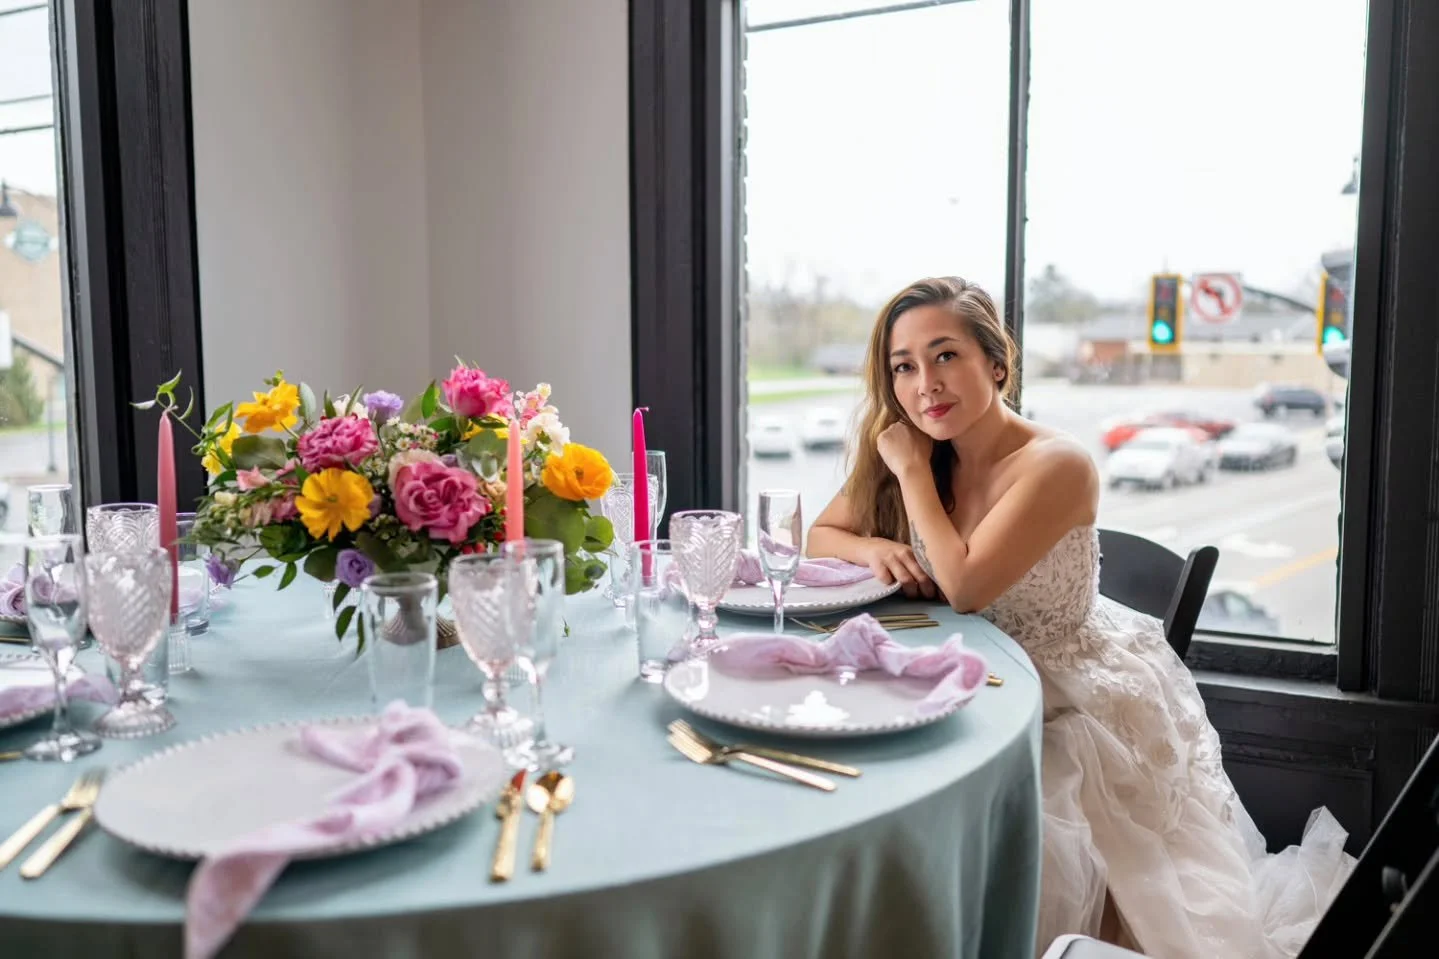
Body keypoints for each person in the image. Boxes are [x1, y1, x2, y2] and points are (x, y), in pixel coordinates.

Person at [808, 276, 1353, 958]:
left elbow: (967, 586)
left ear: (996, 363)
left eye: (945, 355)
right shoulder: (921, 450)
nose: (925, 384)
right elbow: (818, 536)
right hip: (962, 676)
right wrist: (876, 544)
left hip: (1068, 701)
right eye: (904, 366)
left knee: (990, 812)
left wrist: (912, 475)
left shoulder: (1055, 463)